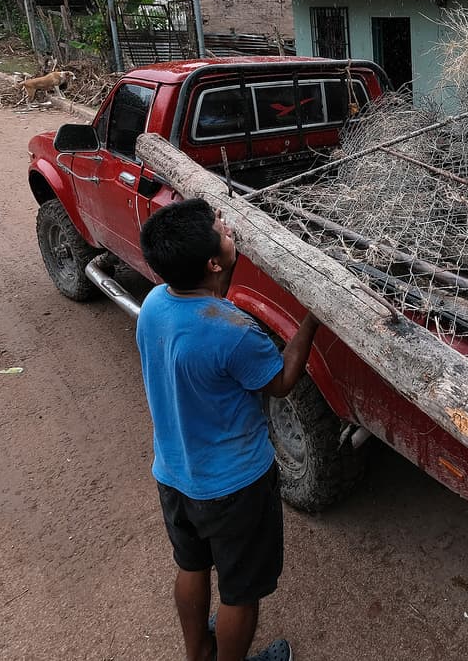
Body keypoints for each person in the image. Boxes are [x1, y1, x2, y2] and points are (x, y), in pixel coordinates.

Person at [137, 198, 321, 661]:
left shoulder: (157, 302)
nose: (225, 223)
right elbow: (280, 382)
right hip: (234, 486)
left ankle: (198, 652)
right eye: (221, 227)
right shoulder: (233, 332)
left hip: (174, 471)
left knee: (192, 564)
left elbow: (210, 300)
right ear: (213, 262)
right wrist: (314, 317)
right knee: (240, 592)